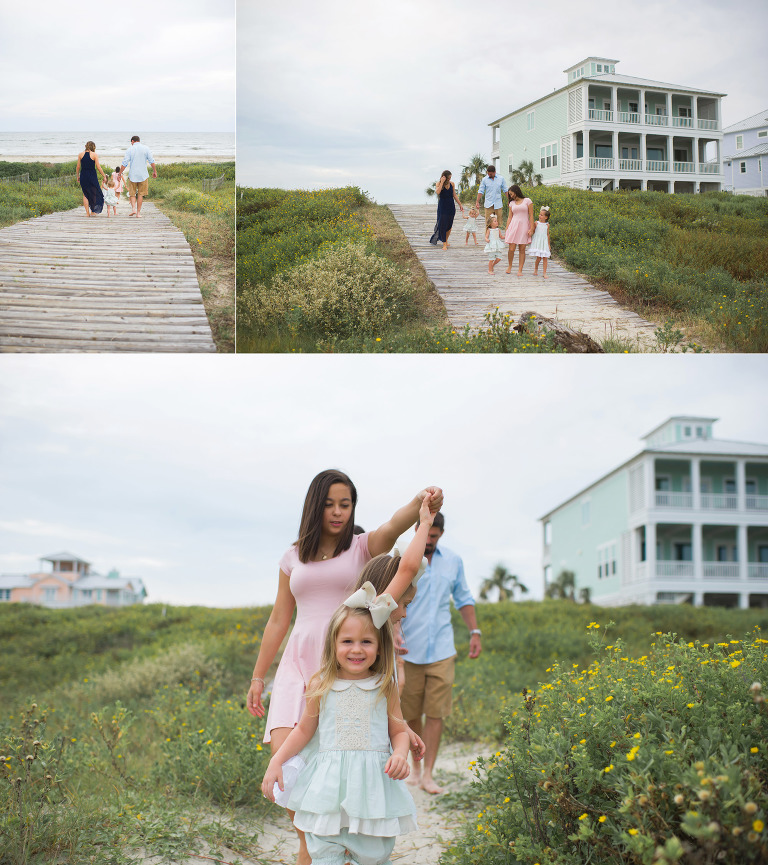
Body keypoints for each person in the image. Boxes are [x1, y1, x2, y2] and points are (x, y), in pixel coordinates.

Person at [247, 470, 442, 865]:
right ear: (313, 507)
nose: (337, 512)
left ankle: (329, 847)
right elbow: (278, 619)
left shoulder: (361, 548)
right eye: (329, 504)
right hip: (298, 667)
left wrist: (421, 506)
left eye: (345, 504)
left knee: (339, 754)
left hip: (347, 664)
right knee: (292, 772)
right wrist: (257, 675)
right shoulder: (291, 556)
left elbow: (398, 543)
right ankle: (315, 847)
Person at [262, 601, 417, 865]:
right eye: (347, 641)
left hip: (372, 788)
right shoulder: (321, 683)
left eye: (366, 642)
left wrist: (401, 754)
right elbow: (302, 731)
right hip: (328, 789)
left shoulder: (384, 685)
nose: (356, 649)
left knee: (373, 855)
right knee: (324, 854)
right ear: (333, 645)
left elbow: (399, 730)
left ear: (380, 648)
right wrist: (276, 761)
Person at [399, 512, 481, 795]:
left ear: (441, 534)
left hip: (443, 650)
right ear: (417, 529)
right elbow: (393, 598)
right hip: (408, 650)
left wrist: (474, 632)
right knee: (410, 713)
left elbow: (463, 597)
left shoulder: (453, 561)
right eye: (426, 535)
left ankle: (429, 774)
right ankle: (416, 768)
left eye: (434, 536)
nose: (430, 541)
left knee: (436, 714)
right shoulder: (403, 557)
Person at [121, 135, 157, 217]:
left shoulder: (130, 149)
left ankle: (133, 208)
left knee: (132, 194)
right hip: (143, 175)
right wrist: (154, 171)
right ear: (139, 141)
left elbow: (124, 163)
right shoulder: (146, 148)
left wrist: (120, 173)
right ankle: (138, 213)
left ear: (132, 141)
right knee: (140, 194)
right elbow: (151, 161)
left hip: (133, 175)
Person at [504, 184, 534, 276]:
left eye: (512, 194)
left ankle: (520, 270)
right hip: (513, 226)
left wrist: (531, 228)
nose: (511, 196)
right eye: (510, 195)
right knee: (511, 248)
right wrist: (507, 229)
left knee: (522, 249)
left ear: (517, 192)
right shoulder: (511, 203)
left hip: (524, 226)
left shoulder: (527, 201)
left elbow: (531, 215)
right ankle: (510, 266)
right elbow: (510, 217)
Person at [429, 170, 464, 250]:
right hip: (442, 206)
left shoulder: (452, 184)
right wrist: (442, 182)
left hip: (451, 206)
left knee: (449, 225)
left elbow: (454, 194)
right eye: (448, 178)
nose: (449, 179)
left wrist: (460, 204)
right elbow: (438, 192)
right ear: (444, 177)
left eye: (450, 178)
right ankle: (444, 244)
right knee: (442, 224)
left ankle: (446, 240)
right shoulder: (438, 183)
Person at [76, 141, 106, 217]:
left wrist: (77, 176)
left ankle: (87, 213)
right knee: (94, 192)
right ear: (93, 147)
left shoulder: (80, 154)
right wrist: (104, 175)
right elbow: (98, 167)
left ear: (86, 146)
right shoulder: (94, 155)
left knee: (85, 194)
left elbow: (78, 167)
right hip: (92, 176)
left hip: (83, 175)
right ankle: (93, 211)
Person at [531, 206, 552, 278]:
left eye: (541, 215)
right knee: (539, 258)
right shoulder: (536, 223)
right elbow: (533, 231)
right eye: (539, 214)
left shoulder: (547, 225)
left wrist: (549, 244)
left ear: (546, 217)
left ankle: (544, 273)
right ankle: (536, 269)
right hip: (538, 242)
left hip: (544, 243)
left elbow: (547, 235)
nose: (539, 216)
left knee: (545, 257)